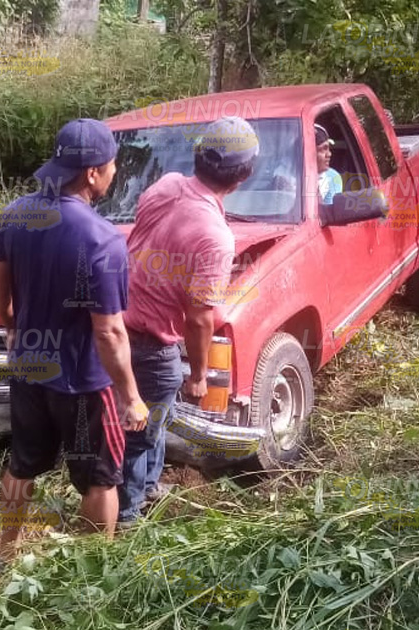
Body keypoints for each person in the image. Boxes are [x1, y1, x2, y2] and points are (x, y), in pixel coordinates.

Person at [0, 118, 148, 547]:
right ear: (93, 173)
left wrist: (11, 326)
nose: (116, 173)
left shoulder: (16, 214)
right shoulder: (103, 240)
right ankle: (95, 567)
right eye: (113, 164)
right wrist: (131, 397)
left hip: (28, 369)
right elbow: (110, 332)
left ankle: (5, 550)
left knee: (22, 464)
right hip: (81, 383)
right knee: (100, 478)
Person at [118, 116, 259, 527]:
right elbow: (200, 320)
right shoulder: (216, 236)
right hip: (149, 342)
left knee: (155, 416)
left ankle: (148, 488)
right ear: (244, 175)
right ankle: (126, 519)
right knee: (140, 430)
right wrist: (199, 374)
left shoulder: (166, 185)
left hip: (120, 324)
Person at [314, 124, 343, 206]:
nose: (329, 154)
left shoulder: (333, 177)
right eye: (323, 149)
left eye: (328, 149)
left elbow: (330, 213)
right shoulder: (286, 176)